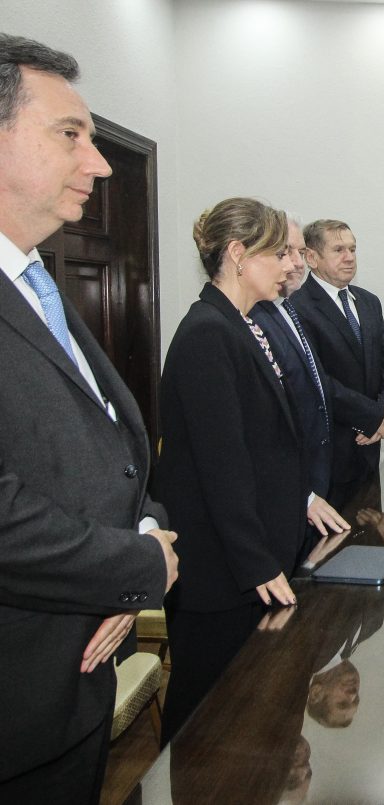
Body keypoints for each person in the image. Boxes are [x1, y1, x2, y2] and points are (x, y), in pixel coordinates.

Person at [0, 34, 178, 802]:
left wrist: (140, 536)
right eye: (70, 135)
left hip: (70, 690)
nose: (99, 165)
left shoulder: (37, 279)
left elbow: (114, 453)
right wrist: (140, 567)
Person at [157, 197, 307, 745]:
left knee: (248, 710)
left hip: (248, 558)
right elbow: (222, 465)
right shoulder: (206, 333)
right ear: (239, 254)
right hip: (220, 573)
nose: (290, 265)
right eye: (277, 254)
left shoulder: (242, 324)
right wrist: (257, 562)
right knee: (206, 714)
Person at [250, 217, 349, 557]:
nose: (294, 262)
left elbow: (315, 383)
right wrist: (304, 494)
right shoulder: (254, 319)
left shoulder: (286, 309)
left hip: (313, 480)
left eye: (298, 252)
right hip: (289, 494)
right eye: (284, 252)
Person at [291, 219, 384, 510]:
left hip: (369, 449)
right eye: (338, 249)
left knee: (373, 543)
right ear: (312, 258)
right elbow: (318, 381)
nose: (349, 257)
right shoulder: (298, 308)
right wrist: (371, 416)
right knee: (335, 551)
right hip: (331, 455)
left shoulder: (368, 302)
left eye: (353, 249)